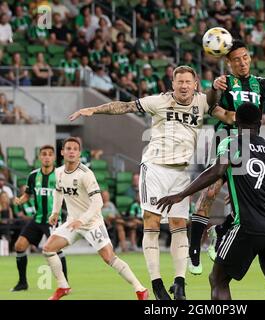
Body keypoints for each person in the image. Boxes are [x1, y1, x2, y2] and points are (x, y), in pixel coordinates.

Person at [68, 65, 236, 300]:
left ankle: (179, 283)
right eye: (180, 82)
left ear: (196, 84)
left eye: (188, 82)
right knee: (152, 222)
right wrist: (94, 110)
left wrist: (253, 117)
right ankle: (157, 285)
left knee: (179, 224)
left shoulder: (203, 102)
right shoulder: (158, 101)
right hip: (155, 168)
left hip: (180, 172)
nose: (184, 86)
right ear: (173, 84)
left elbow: (229, 116)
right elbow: (125, 106)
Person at [157, 102, 265, 300]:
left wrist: (181, 194)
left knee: (218, 279)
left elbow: (216, 171)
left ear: (237, 122)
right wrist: (244, 187)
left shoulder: (232, 142)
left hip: (248, 225)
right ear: (259, 123)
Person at [188, 40, 265, 276]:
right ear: (228, 63)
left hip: (251, 146)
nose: (242, 62)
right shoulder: (225, 81)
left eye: (245, 57)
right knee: (210, 193)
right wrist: (214, 89)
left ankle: (221, 232)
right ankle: (194, 253)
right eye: (236, 59)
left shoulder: (262, 83)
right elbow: (210, 107)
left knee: (253, 197)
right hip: (226, 141)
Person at [42, 137, 148, 300]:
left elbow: (98, 202)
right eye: (68, 148)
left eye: (75, 149)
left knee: (109, 258)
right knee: (48, 249)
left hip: (91, 223)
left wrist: (82, 220)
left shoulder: (86, 174)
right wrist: (55, 212)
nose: (71, 151)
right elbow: (58, 191)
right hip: (72, 223)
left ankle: (140, 289)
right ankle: (63, 287)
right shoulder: (59, 172)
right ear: (62, 152)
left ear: (79, 154)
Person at [11, 145, 68, 292]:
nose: (47, 157)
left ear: (54, 157)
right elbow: (28, 194)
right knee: (19, 246)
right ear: (39, 157)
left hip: (53, 219)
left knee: (56, 250)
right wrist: (20, 200)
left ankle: (65, 284)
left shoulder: (61, 175)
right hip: (37, 218)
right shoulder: (33, 176)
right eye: (44, 154)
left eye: (50, 154)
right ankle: (22, 283)